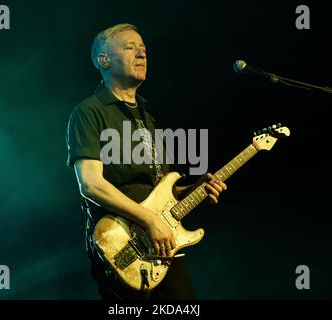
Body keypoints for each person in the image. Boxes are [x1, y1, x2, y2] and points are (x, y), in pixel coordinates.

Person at [66, 23, 227, 300]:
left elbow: (159, 189)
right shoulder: (88, 112)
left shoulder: (147, 116)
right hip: (122, 248)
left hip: (164, 245)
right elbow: (91, 185)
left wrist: (194, 189)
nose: (142, 55)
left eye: (144, 50)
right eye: (130, 48)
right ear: (103, 60)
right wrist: (149, 220)